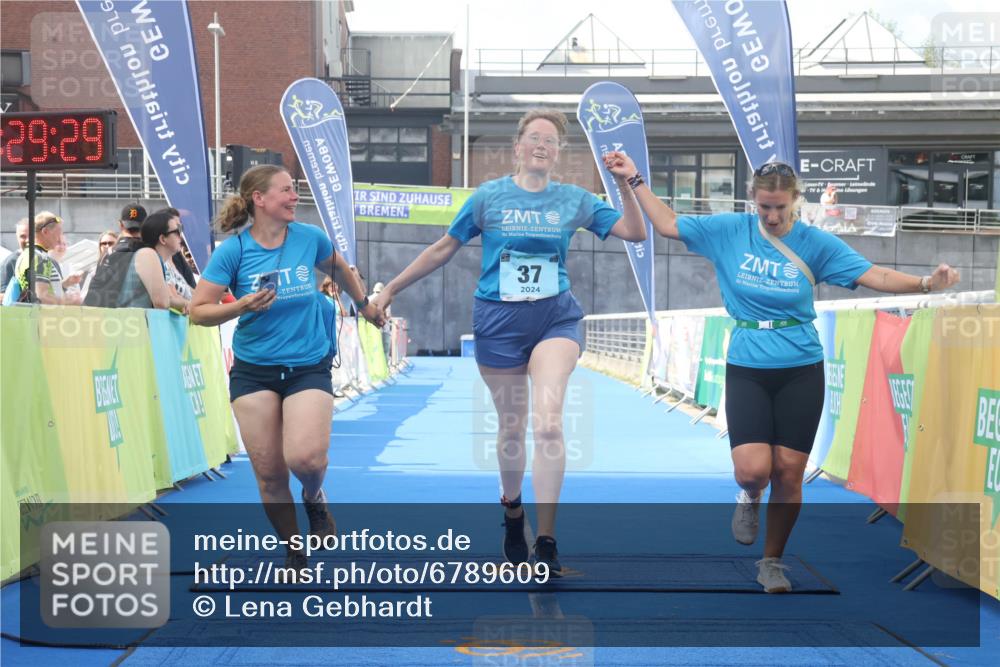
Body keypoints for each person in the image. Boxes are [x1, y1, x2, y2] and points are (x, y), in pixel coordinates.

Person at [603, 152, 960, 593]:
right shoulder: (729, 231)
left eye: (781, 208)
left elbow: (874, 275)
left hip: (801, 366)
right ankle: (749, 496)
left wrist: (927, 284)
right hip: (748, 365)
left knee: (790, 472)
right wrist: (634, 178)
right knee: (753, 470)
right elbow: (668, 224)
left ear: (796, 203)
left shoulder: (815, 243)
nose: (772, 216)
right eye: (764, 207)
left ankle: (771, 562)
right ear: (752, 200)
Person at [372, 109, 646, 574]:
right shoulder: (488, 198)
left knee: (549, 425)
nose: (542, 145)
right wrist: (392, 288)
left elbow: (636, 232)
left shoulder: (574, 200)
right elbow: (443, 247)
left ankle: (547, 538)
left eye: (551, 141)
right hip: (498, 320)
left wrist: (626, 183)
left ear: (558, 154)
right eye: (534, 138)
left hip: (555, 319)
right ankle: (513, 509)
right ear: (517, 147)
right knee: (512, 427)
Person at [188, 164, 383, 568]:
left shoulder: (310, 239)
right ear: (259, 199)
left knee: (306, 459)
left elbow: (341, 269)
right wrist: (240, 305)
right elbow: (197, 312)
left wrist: (363, 305)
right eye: (286, 191)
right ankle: (294, 548)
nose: (295, 197)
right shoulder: (234, 252)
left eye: (294, 191)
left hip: (307, 365)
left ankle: (314, 498)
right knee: (271, 475)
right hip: (254, 369)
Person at [12, 213, 82, 305]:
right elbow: (41, 297)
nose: (60, 238)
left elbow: (39, 290)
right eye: (59, 233)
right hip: (41, 317)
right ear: (45, 232)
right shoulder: (40, 258)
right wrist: (70, 301)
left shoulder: (27, 254)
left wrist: (65, 284)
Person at [0, 218, 30, 301]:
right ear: (17, 237)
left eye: (31, 236)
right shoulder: (9, 263)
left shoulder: (47, 260)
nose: (27, 240)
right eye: (23, 236)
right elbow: (2, 297)